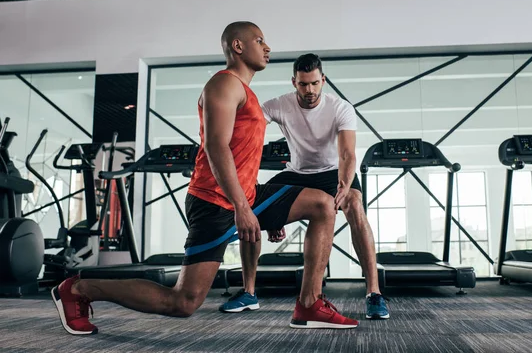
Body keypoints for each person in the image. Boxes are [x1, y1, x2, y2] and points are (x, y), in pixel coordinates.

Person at [51, 23, 358, 335]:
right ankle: (79, 290)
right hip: (215, 203)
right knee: (183, 302)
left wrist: (265, 209)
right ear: (238, 46)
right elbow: (215, 145)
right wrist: (241, 207)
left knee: (322, 205)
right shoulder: (224, 85)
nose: (267, 48)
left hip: (245, 195)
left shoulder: (246, 92)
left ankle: (309, 303)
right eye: (259, 40)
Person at [218, 53, 389, 320]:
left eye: (314, 83)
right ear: (294, 82)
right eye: (303, 84)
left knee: (355, 204)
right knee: (252, 204)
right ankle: (249, 292)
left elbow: (347, 154)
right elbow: (248, 126)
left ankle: (374, 293)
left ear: (323, 80)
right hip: (296, 173)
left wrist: (344, 185)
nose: (309, 90)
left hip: (333, 171)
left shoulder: (340, 108)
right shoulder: (279, 105)